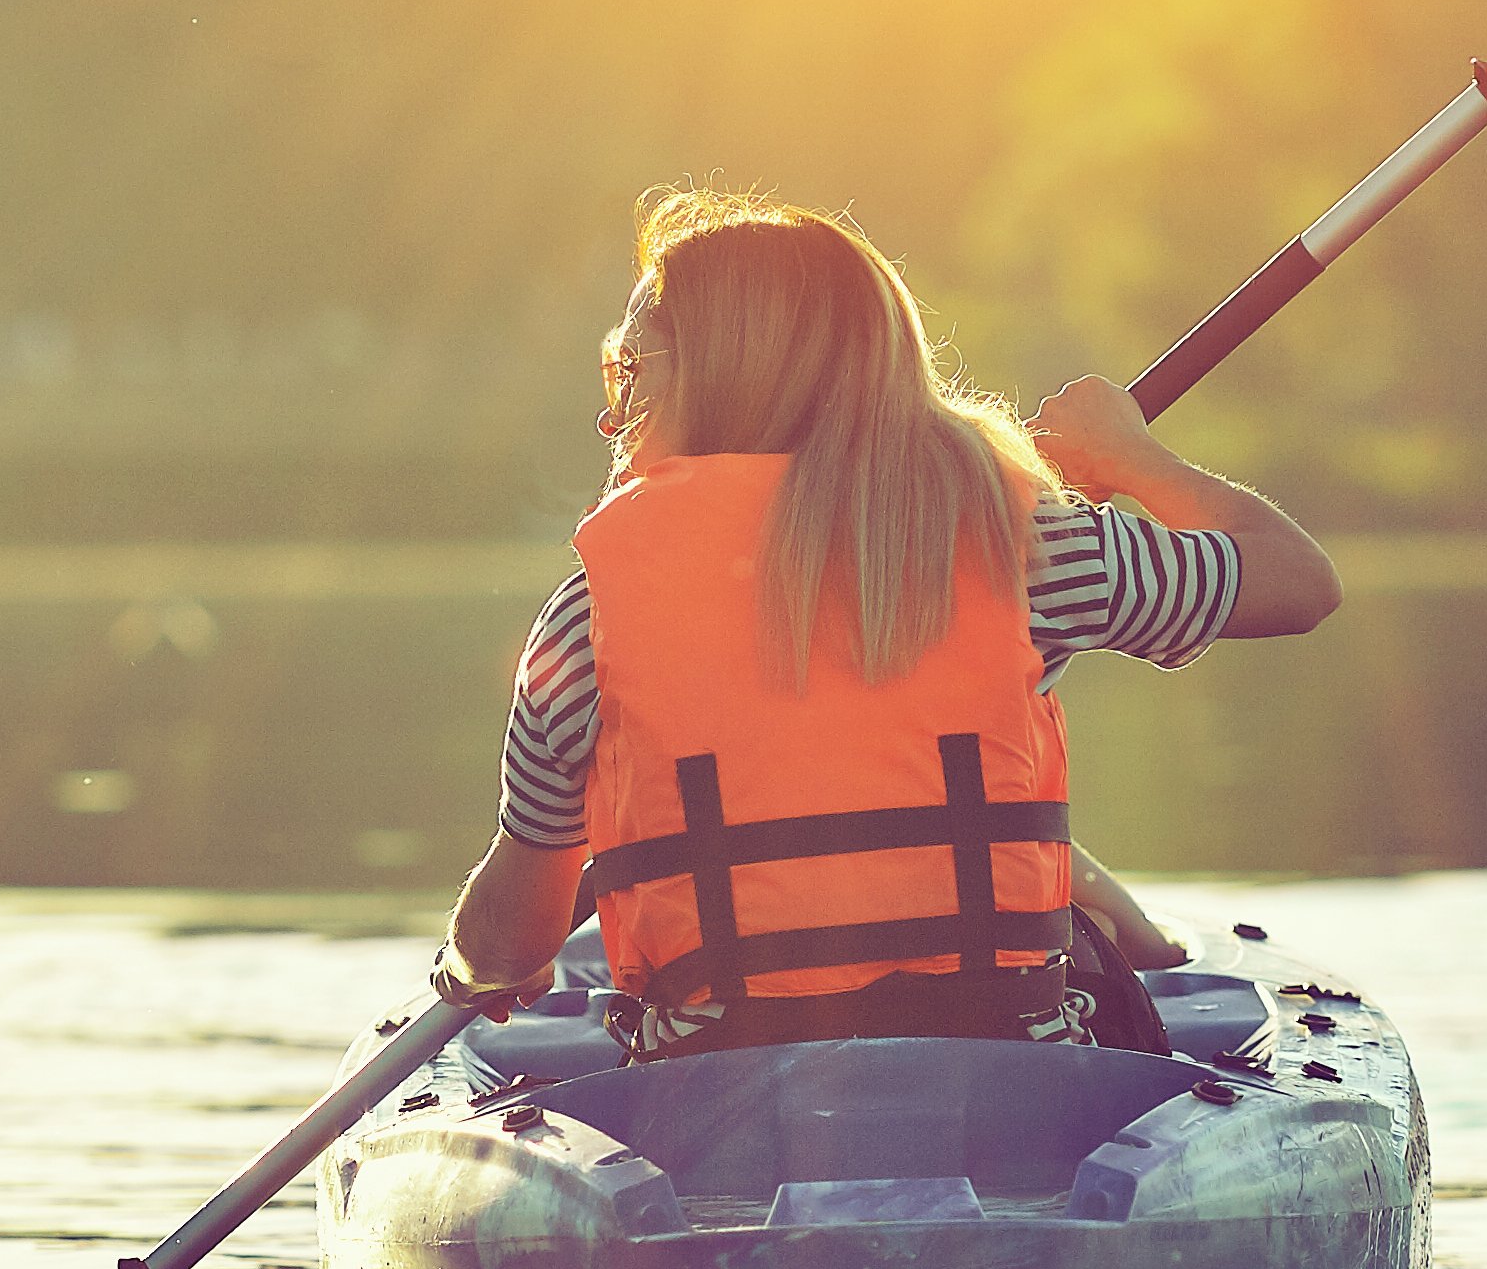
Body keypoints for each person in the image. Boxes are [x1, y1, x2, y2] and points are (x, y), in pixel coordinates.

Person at [436, 194, 1339, 1058]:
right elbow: (1299, 581)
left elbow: (509, 945)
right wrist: (1131, 457)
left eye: (628, 370)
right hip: (1015, 1088)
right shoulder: (1028, 544)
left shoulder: (586, 623)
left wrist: (466, 966)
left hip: (711, 1103)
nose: (609, 413)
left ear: (724, 374)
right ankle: (1149, 944)